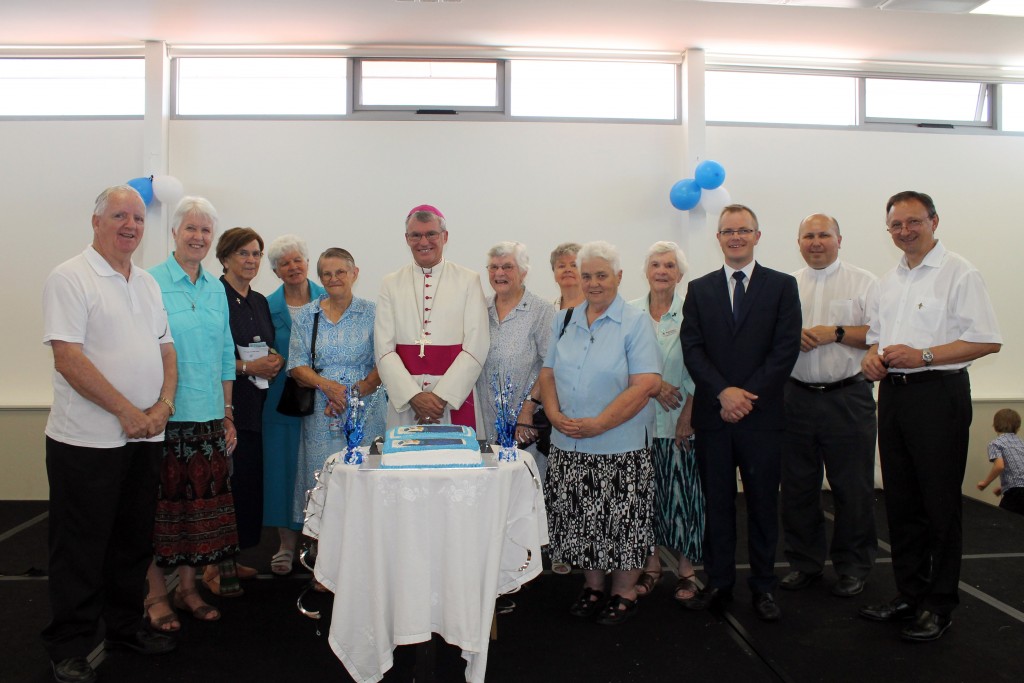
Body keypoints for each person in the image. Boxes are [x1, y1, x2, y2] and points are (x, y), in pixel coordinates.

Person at [41, 185, 177, 683]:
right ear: (95, 221)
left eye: (138, 218)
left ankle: (124, 627)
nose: (131, 225)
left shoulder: (146, 282)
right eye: (120, 215)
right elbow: (68, 358)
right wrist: (126, 411)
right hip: (85, 442)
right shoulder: (70, 277)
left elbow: (166, 349)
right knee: (80, 547)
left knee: (132, 543)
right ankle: (69, 645)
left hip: (144, 438)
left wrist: (162, 406)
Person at [859, 191, 1001, 642]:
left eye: (913, 222)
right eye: (896, 225)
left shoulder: (960, 272)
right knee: (901, 502)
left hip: (939, 394)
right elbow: (878, 339)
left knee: (939, 504)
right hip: (895, 397)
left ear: (934, 221)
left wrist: (923, 355)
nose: (905, 231)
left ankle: (940, 605)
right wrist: (870, 358)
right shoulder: (889, 280)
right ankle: (909, 594)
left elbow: (986, 340)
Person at [680, 204, 801, 622]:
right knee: (716, 505)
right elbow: (692, 349)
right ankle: (718, 583)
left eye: (743, 230)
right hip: (714, 418)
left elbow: (785, 350)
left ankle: (764, 587)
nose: (735, 237)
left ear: (757, 236)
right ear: (718, 238)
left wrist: (745, 396)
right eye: (727, 231)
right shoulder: (699, 289)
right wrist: (723, 393)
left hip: (762, 417)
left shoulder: (782, 286)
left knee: (764, 505)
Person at [539, 240, 662, 626]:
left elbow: (646, 384)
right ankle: (592, 586)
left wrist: (600, 424)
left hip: (619, 444)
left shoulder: (636, 321)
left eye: (601, 275)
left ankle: (624, 592)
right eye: (586, 275)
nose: (593, 283)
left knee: (621, 521)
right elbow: (547, 374)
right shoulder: (563, 320)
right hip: (568, 442)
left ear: (619, 277)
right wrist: (555, 414)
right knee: (579, 518)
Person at [146, 196, 242, 625]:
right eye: (191, 228)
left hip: (207, 418)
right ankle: (154, 597)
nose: (198, 237)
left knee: (197, 513)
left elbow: (225, 351)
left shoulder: (216, 288)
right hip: (164, 416)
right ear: (174, 232)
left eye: (206, 230)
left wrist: (227, 413)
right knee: (160, 511)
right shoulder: (150, 282)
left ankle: (186, 589)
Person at [779, 214, 879, 599]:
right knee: (798, 488)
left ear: (840, 239)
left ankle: (854, 567)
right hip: (795, 397)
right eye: (808, 235)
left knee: (852, 488)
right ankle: (805, 563)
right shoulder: (786, 286)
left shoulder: (865, 282)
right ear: (798, 241)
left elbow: (881, 333)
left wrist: (834, 333)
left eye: (824, 235)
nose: (816, 242)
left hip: (847, 397)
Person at [199, 227, 284, 592]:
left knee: (247, 486)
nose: (251, 260)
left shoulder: (260, 301)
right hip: (224, 406)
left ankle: (233, 559)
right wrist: (249, 367)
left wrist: (273, 359)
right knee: (225, 485)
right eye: (243, 254)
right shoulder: (213, 296)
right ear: (225, 258)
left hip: (257, 407)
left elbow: (264, 345)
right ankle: (213, 568)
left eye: (256, 254)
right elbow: (207, 357)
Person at [627, 241, 702, 603]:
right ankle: (652, 565)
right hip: (636, 425)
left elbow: (701, 368)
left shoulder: (694, 315)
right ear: (646, 271)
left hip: (678, 423)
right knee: (645, 499)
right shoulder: (628, 314)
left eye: (669, 265)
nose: (661, 271)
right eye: (655, 264)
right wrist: (653, 385)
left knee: (685, 497)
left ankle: (686, 571)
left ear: (680, 274)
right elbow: (619, 368)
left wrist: (689, 413)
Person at [289, 248, 385, 531]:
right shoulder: (308, 315)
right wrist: (329, 387)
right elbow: (296, 366)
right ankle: (320, 560)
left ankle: (366, 558)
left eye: (340, 272)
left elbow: (385, 362)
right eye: (326, 274)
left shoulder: (374, 313)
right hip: (321, 413)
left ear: (354, 274)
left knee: (364, 478)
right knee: (322, 480)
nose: (334, 279)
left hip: (366, 410)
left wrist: (351, 395)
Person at [375, 205, 489, 429]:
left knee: (457, 462)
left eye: (431, 234)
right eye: (415, 235)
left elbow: (476, 346)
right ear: (407, 239)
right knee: (405, 460)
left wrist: (441, 397)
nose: (423, 242)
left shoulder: (468, 280)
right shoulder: (391, 283)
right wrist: (414, 397)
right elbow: (384, 349)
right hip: (408, 402)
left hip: (454, 399)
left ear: (445, 237)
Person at [262, 235, 325, 576]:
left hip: (324, 400)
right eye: (284, 263)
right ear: (275, 271)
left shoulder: (329, 299)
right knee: (282, 472)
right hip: (280, 401)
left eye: (297, 260)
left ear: (307, 261)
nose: (292, 267)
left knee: (319, 472)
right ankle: (286, 544)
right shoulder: (264, 306)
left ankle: (317, 544)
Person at [475, 241, 553, 477]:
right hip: (484, 423)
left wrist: (528, 409)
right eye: (493, 267)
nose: (499, 273)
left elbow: (551, 364)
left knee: (524, 488)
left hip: (524, 426)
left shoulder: (541, 310)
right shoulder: (479, 309)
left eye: (507, 267)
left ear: (523, 272)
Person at [977, 409, 1024, 515]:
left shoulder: (995, 444)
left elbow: (999, 466)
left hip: (1016, 493)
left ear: (994, 426)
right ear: (1018, 427)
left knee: (1003, 521)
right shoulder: (1021, 443)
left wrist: (985, 483)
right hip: (1016, 489)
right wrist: (1003, 487)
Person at [550, 242, 584, 311]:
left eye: (574, 265)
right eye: (562, 266)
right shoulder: (548, 311)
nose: (568, 270)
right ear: (554, 273)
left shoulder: (599, 307)